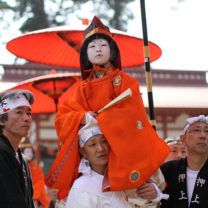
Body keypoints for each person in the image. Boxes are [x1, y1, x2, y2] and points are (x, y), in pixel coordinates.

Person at [45, 16, 170, 200]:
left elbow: (133, 117)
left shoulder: (127, 82)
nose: (98, 49)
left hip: (124, 154)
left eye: (103, 45)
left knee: (141, 194)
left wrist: (100, 119)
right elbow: (63, 117)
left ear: (112, 51)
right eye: (92, 46)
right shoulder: (80, 88)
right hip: (94, 158)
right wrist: (84, 118)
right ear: (85, 54)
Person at [64, 113, 166, 208]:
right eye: (92, 144)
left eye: (104, 141)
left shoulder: (128, 175)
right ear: (83, 152)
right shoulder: (82, 188)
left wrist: (154, 194)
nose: (100, 148)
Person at [160, 115, 208, 208]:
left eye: (207, 131)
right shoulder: (167, 170)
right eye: (197, 130)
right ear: (183, 139)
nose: (203, 136)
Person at [0, 89, 35, 208]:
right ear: (1, 120)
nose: (26, 118)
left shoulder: (22, 159)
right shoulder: (1, 153)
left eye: (29, 113)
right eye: (19, 112)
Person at [20, 140, 51, 208]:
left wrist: (33, 196)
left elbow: (40, 182)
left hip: (35, 196)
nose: (30, 154)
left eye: (31, 152)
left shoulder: (35, 167)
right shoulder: (18, 165)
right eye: (27, 151)